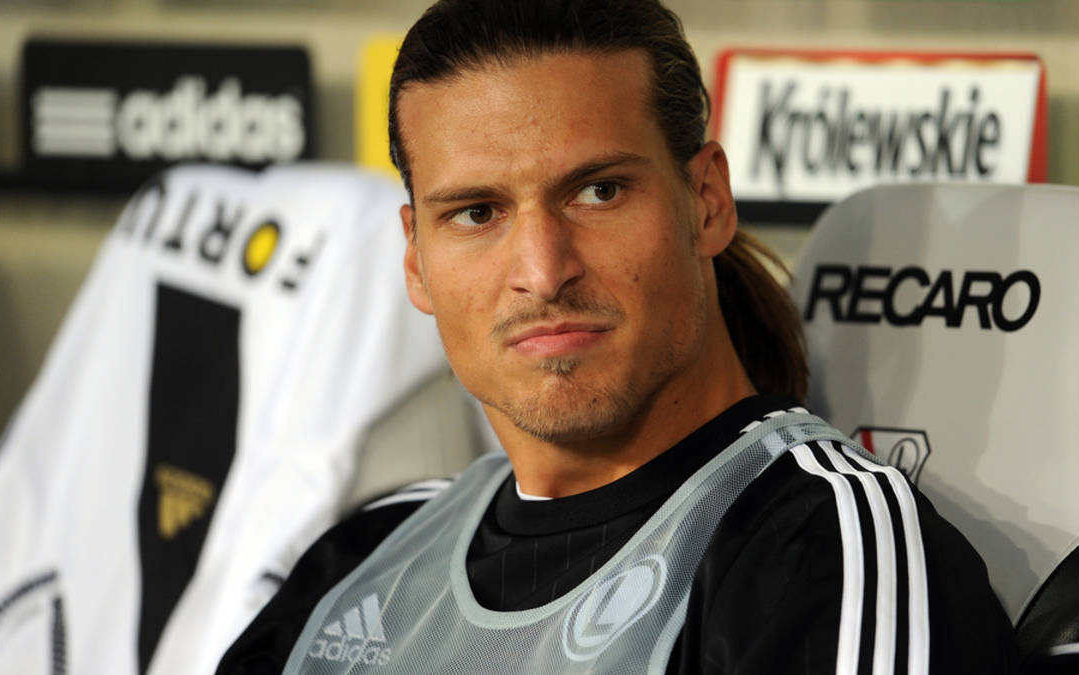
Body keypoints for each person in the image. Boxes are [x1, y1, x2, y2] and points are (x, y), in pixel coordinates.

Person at [217, 0, 1016, 672]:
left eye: (598, 192)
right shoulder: (365, 554)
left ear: (706, 201)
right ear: (416, 260)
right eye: (477, 213)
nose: (543, 271)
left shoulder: (820, 545)